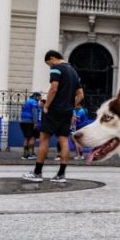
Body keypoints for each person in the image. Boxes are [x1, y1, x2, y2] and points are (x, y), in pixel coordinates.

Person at [23, 50, 83, 183]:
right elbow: (80, 95)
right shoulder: (73, 72)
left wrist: (46, 106)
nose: (50, 67)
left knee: (44, 139)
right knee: (64, 140)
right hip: (67, 112)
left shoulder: (56, 69)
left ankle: (37, 173)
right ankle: (61, 175)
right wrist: (70, 105)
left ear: (52, 59)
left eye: (48, 64)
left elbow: (53, 89)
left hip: (54, 110)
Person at [20, 92, 41, 160]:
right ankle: (30, 154)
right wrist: (35, 122)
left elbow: (22, 110)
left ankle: (25, 154)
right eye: (39, 97)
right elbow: (34, 113)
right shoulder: (34, 103)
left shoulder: (27, 102)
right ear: (36, 96)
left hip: (23, 122)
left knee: (26, 138)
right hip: (30, 122)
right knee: (32, 137)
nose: (40, 99)